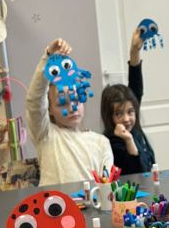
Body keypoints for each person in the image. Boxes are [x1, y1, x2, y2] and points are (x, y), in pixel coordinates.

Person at [26, 37, 113, 187]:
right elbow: (35, 100)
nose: (72, 108)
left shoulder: (101, 142)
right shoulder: (45, 134)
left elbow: (107, 186)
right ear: (50, 110)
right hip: (55, 202)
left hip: (91, 201)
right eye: (62, 103)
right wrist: (48, 57)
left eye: (76, 100)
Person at [101, 27, 156, 175]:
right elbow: (138, 174)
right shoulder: (113, 143)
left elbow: (136, 86)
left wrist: (134, 51)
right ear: (109, 116)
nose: (126, 119)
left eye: (130, 112)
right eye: (118, 114)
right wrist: (129, 140)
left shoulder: (133, 128)